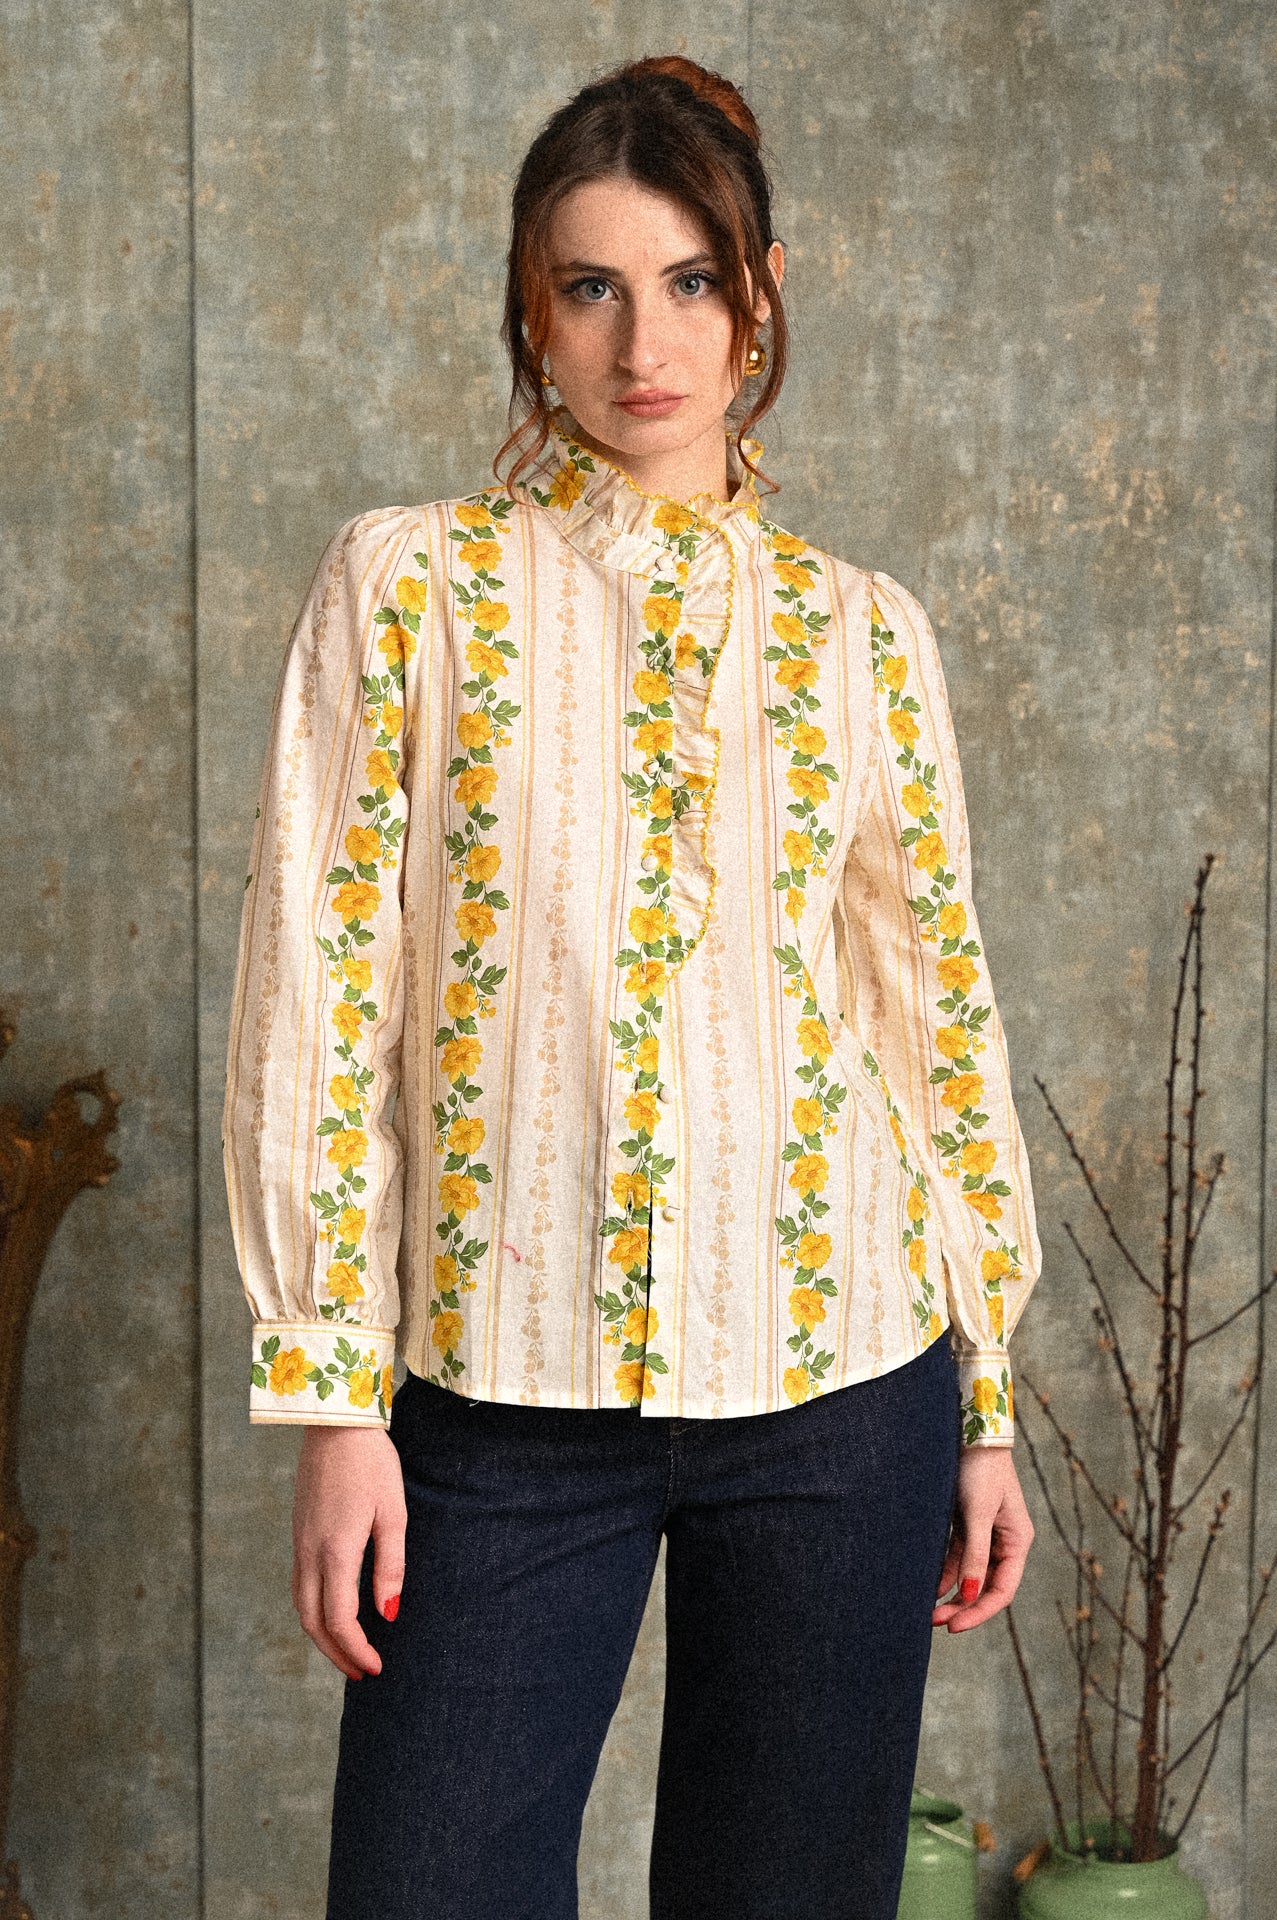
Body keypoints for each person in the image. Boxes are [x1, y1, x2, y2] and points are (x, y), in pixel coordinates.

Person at [222, 52, 1041, 1920]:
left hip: (844, 1384)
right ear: (531, 306)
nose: (641, 342)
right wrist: (334, 1399)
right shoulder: (410, 587)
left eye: (689, 281)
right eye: (588, 285)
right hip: (499, 1395)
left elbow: (931, 1011)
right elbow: (323, 990)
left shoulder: (863, 635)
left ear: (760, 298)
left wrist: (986, 1391)